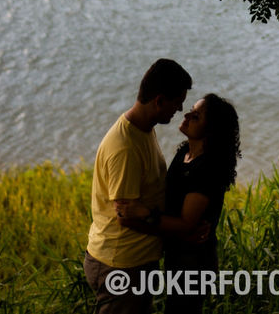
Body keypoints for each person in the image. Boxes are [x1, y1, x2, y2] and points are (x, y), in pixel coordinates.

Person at [85, 58, 193, 314]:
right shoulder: (126, 148)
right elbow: (125, 216)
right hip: (121, 264)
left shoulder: (144, 129)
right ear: (158, 101)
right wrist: (180, 232)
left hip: (136, 261)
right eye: (177, 102)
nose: (179, 110)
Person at [117, 93, 241, 314]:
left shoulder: (207, 169)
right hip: (179, 255)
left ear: (210, 131)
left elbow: (185, 223)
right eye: (191, 110)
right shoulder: (185, 152)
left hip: (195, 261)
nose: (186, 115)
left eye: (196, 116)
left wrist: (143, 212)